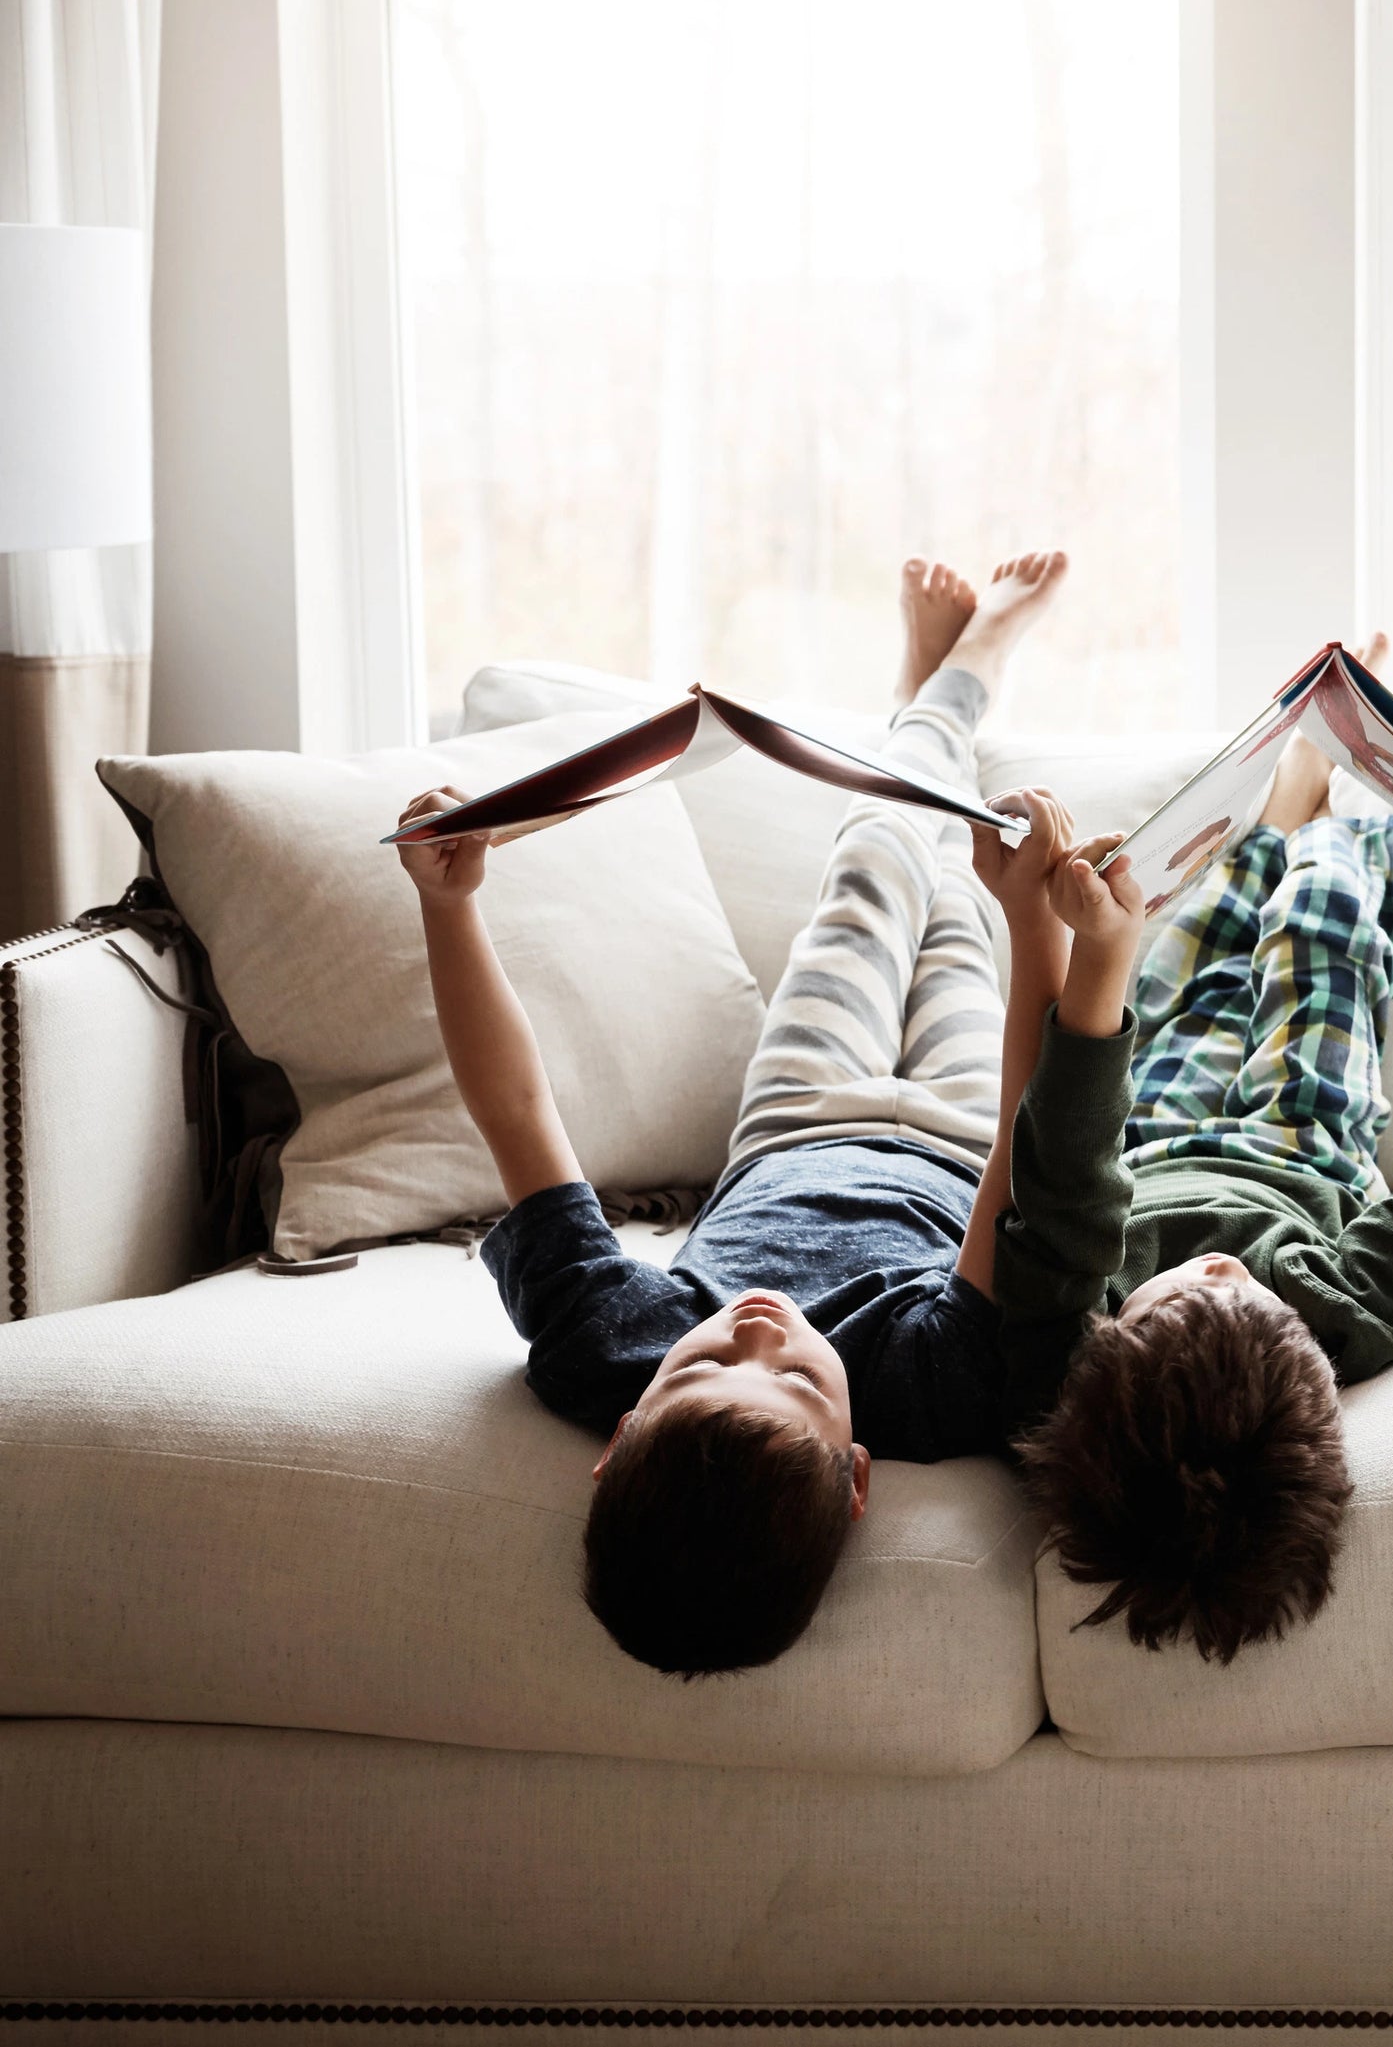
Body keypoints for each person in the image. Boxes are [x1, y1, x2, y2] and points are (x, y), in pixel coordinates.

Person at [404, 552, 1107, 1676]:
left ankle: (956, 678)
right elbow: (1028, 1168)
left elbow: (518, 1115)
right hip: (966, 1133)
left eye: (697, 1366)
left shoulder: (604, 1348)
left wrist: (449, 909)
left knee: (879, 858)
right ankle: (933, 696)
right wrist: (1037, 933)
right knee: (961, 914)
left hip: (801, 1111)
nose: (762, 1330)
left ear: (621, 1433)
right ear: (858, 1470)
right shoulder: (933, 1395)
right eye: (791, 1382)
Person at [991, 637, 1393, 1664]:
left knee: (1197, 954)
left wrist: (1102, 957)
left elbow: (1066, 1172)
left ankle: (1283, 802)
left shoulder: (1054, 1354)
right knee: (1321, 939)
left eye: (1173, 1294)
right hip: (1304, 1145)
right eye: (1245, 1294)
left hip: (1152, 1133)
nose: (1214, 1267)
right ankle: (1332, 820)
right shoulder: (1339, 1316)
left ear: (1104, 1342)